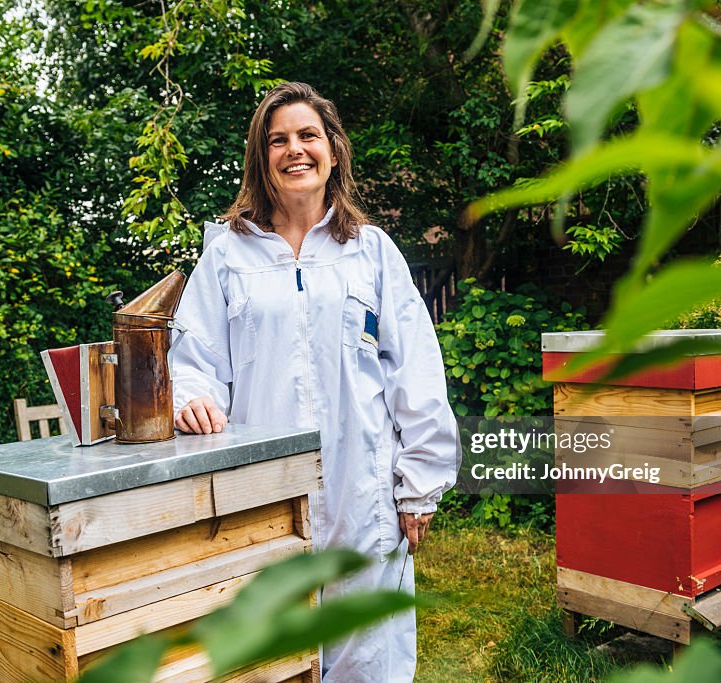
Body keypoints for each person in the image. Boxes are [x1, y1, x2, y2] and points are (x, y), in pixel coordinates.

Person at [170, 81, 460, 682]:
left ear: (332, 151)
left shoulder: (372, 251)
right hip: (263, 491)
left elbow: (416, 369)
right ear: (262, 158)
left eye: (308, 136)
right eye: (278, 140)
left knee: (368, 648)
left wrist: (422, 482)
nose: (294, 150)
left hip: (364, 488)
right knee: (275, 651)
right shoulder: (227, 255)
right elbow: (194, 354)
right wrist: (194, 397)